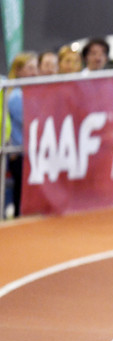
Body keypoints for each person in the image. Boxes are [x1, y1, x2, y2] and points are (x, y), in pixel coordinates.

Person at [7, 52, 39, 217]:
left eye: (35, 68)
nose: (34, 72)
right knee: (21, 194)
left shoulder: (35, 93)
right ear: (18, 71)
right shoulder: (15, 96)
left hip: (33, 153)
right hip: (20, 154)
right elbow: (30, 120)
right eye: (30, 68)